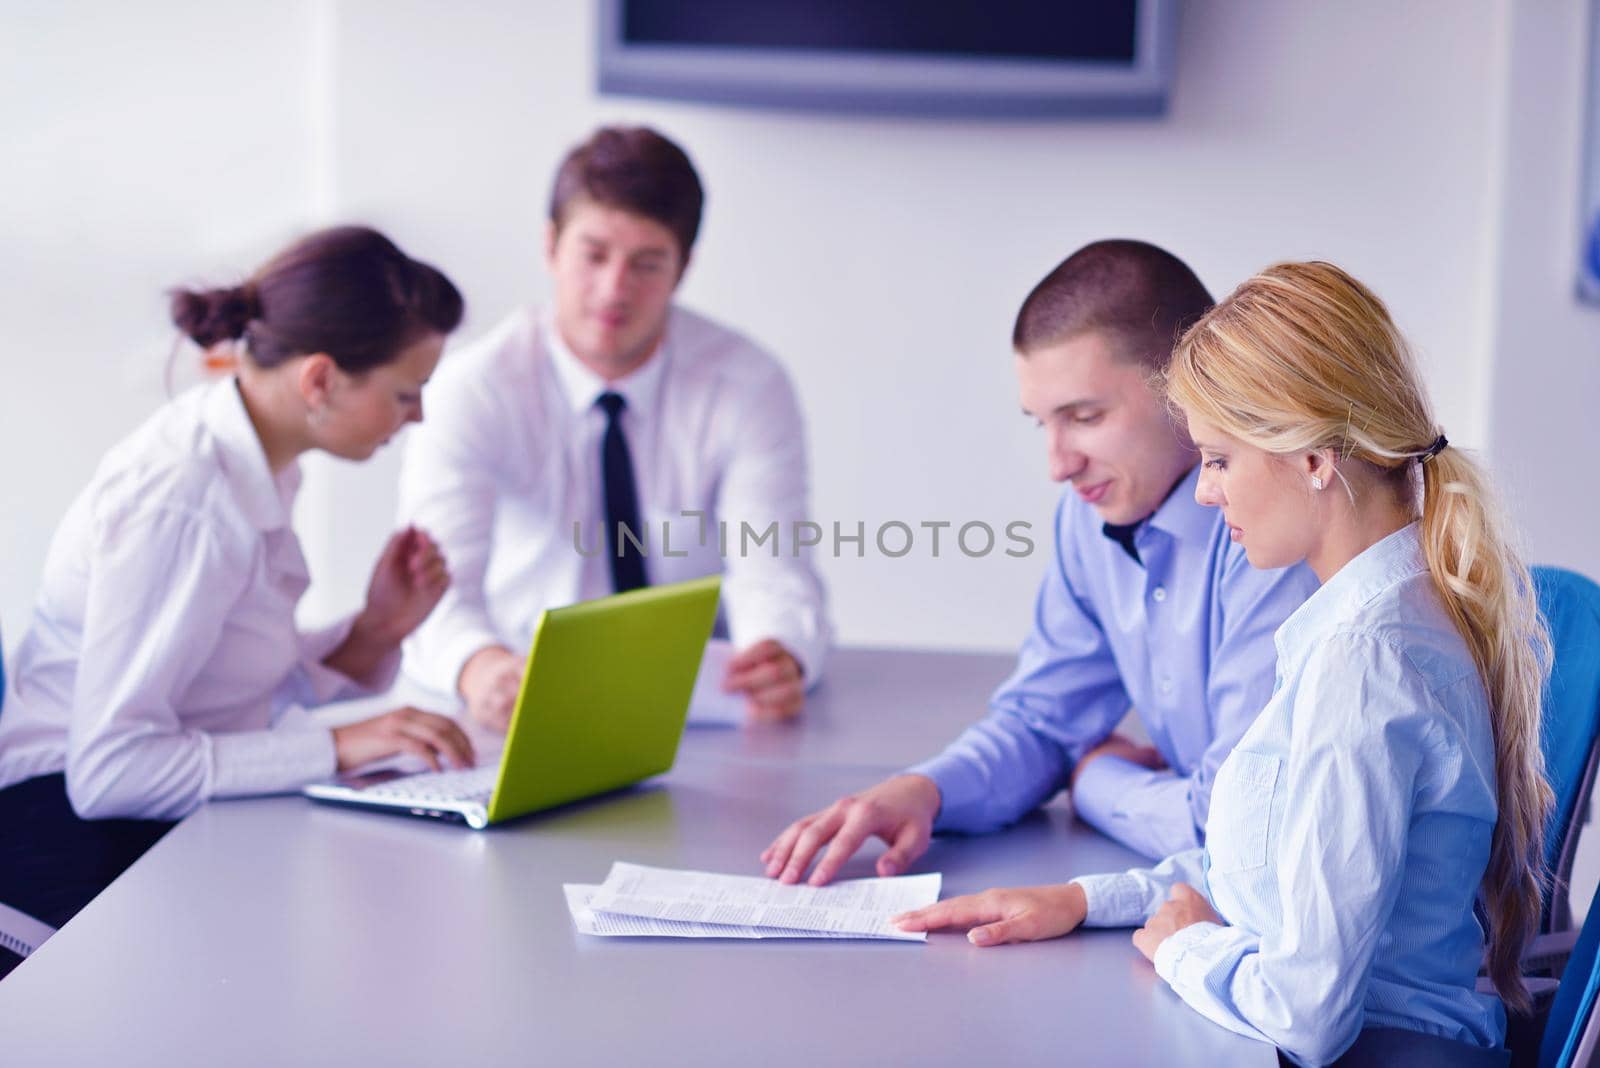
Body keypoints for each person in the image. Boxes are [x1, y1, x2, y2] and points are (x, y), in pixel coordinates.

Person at [893, 261, 1550, 1066]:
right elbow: (1261, 865)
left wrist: (1184, 949)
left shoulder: (1365, 666)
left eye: (1219, 460)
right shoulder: (1355, 623)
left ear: (1313, 460)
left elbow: (1306, 1018)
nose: (1204, 494)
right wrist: (1082, 898)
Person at [763, 240, 1320, 883]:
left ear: (1190, 385)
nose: (1058, 464)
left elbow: (1233, 827)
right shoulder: (1090, 514)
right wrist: (926, 791)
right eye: (1042, 424)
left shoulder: (1274, 535)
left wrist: (1095, 782)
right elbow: (1046, 722)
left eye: (1084, 417)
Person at [0, 226, 475, 976]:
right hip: (58, 835)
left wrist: (376, 632)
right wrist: (341, 744)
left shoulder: (262, 461)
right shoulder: (184, 502)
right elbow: (111, 773)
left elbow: (220, 698)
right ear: (320, 380)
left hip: (153, 821)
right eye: (406, 393)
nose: (415, 418)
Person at [397, 125, 829, 729]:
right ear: (550, 247)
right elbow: (436, 591)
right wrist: (477, 666)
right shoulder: (473, 389)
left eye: (647, 264)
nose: (613, 290)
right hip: (522, 686)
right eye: (594, 255)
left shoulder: (748, 383)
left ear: (682, 269)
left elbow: (773, 567)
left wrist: (781, 653)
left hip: (692, 696)